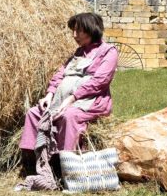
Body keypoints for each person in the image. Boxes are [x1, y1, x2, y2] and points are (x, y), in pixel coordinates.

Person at [19, 12, 119, 176]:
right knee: (34, 113)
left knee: (69, 116)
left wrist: (72, 99)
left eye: (78, 31)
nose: (74, 35)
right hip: (62, 100)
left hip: (90, 101)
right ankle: (34, 162)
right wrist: (49, 95)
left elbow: (99, 81)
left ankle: (65, 167)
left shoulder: (108, 52)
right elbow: (60, 74)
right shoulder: (79, 53)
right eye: (73, 31)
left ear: (91, 30)